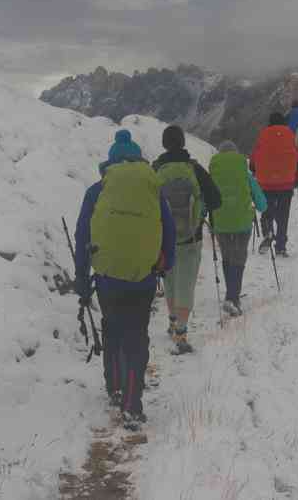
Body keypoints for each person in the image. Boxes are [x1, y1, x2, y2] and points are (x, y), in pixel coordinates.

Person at [74, 129, 176, 431]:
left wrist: (81, 278)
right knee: (136, 335)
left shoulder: (97, 191)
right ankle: (132, 403)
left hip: (107, 278)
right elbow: (168, 230)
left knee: (112, 328)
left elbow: (82, 236)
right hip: (143, 277)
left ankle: (114, 386)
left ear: (111, 163)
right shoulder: (153, 189)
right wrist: (165, 264)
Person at [152, 125, 222, 354]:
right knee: (186, 284)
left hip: (164, 238)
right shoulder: (194, 168)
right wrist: (201, 211)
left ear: (164, 144)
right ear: (182, 142)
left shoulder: (156, 169)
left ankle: (172, 322)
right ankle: (181, 333)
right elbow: (216, 199)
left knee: (170, 281)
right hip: (192, 236)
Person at [209, 141, 267, 316]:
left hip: (220, 222)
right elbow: (261, 201)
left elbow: (205, 196)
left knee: (227, 257)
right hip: (242, 221)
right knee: (239, 258)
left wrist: (202, 214)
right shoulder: (245, 173)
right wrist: (261, 207)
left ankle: (231, 293)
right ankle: (233, 298)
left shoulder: (213, 174)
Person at [251, 112, 298, 257]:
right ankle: (281, 246)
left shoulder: (263, 134)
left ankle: (268, 232)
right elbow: (296, 154)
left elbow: (255, 156)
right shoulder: (290, 134)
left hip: (266, 183)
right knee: (283, 215)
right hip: (286, 182)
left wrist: (254, 168)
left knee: (267, 210)